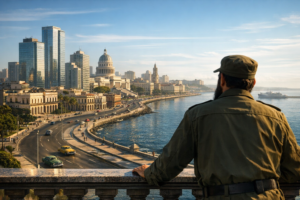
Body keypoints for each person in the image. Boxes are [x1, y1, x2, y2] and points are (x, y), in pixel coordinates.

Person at [133, 55, 300, 199]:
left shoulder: (197, 115)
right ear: (253, 82)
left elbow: (172, 161)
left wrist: (149, 173)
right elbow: (294, 169)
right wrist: (265, 182)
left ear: (222, 80)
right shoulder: (276, 117)